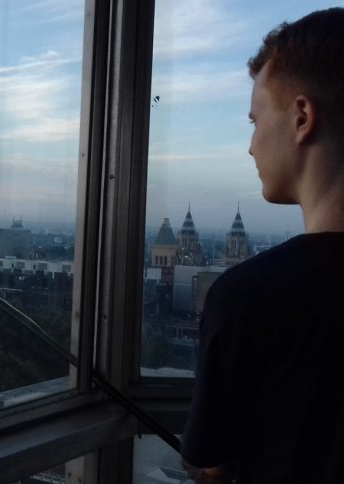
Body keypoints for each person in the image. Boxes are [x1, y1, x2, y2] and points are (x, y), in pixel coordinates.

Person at [180, 8, 344, 484]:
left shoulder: (249, 297)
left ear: (301, 117)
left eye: (255, 120)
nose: (251, 145)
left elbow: (210, 463)